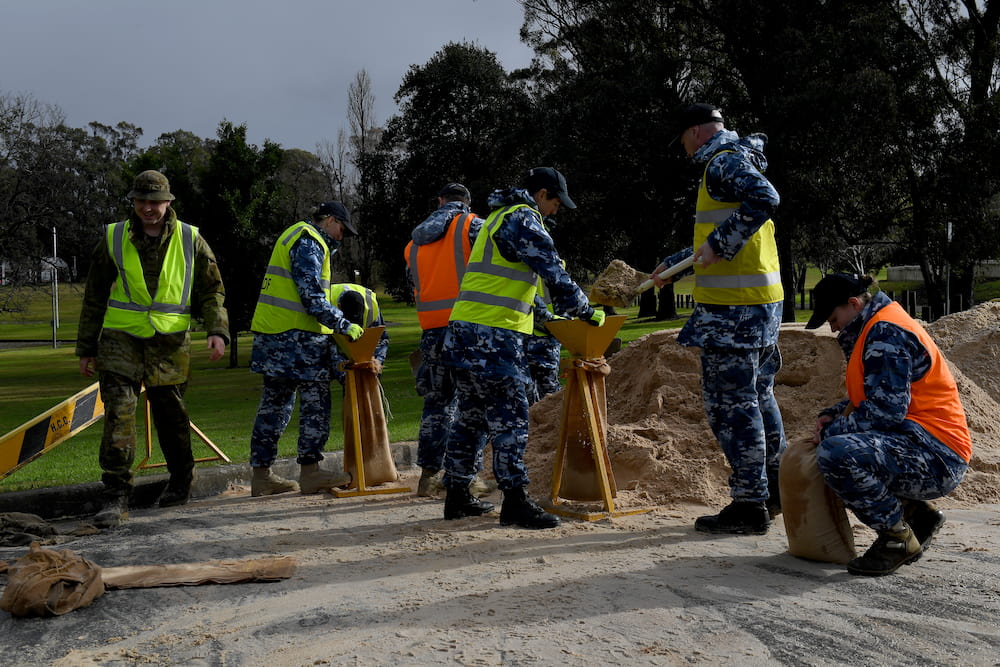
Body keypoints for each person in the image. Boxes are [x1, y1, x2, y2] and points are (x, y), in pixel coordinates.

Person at [442, 167, 606, 529]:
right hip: (493, 337)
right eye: (555, 202)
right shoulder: (524, 218)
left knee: (470, 418)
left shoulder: (497, 217)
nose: (556, 211)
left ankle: (456, 495)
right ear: (542, 194)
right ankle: (515, 501)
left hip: (463, 332)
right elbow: (554, 273)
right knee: (511, 419)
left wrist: (552, 317)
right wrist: (587, 312)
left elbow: (522, 289)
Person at [652, 103, 786, 535]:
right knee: (758, 397)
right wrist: (674, 265)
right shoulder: (739, 156)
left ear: (694, 132)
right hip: (761, 305)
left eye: (683, 142)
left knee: (732, 406)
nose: (684, 151)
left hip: (735, 312)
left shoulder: (721, 163)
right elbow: (713, 241)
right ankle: (775, 488)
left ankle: (750, 504)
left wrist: (721, 243)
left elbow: (766, 199)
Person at [76, 170, 229, 528]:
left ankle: (180, 479)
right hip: (120, 339)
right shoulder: (113, 237)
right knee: (119, 413)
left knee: (171, 414)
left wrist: (217, 330)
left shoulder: (191, 238)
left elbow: (212, 290)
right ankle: (114, 496)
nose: (148, 208)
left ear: (168, 202)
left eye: (155, 202)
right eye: (142, 201)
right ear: (133, 202)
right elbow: (95, 294)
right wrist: (86, 347)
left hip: (170, 342)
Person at [806, 274, 971, 576]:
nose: (832, 327)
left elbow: (884, 413)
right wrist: (836, 413)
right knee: (841, 447)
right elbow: (877, 398)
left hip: (936, 455)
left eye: (833, 318)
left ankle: (897, 539)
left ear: (854, 304)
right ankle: (917, 516)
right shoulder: (876, 325)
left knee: (836, 455)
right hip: (926, 444)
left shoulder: (884, 333)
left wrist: (831, 432)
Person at [248, 201, 364, 497]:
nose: (341, 237)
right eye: (341, 229)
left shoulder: (293, 234)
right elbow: (311, 296)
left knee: (274, 406)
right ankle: (311, 472)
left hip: (273, 336)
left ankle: (262, 476)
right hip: (298, 340)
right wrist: (343, 324)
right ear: (329, 220)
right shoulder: (310, 241)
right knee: (316, 403)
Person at [404, 183, 484, 496]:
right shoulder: (471, 226)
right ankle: (466, 476)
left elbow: (414, 284)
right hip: (467, 327)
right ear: (466, 203)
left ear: (440, 202)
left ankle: (429, 476)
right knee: (472, 404)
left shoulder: (413, 244)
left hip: (432, 330)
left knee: (436, 403)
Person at [328, 282, 389, 386]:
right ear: (339, 307)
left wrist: (377, 362)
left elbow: (381, 339)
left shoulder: (371, 306)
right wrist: (343, 371)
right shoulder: (326, 306)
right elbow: (326, 346)